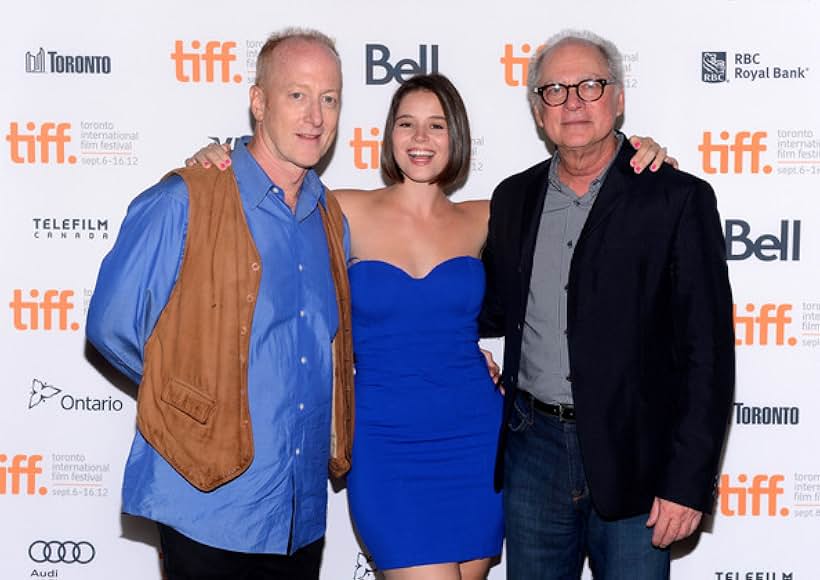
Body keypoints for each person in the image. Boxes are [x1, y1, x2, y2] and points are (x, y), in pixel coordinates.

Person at [189, 69, 672, 578]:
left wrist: (641, 157)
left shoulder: (493, 214)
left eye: (437, 126)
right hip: (386, 443)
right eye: (406, 124)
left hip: (475, 438)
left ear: (456, 136)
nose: (420, 139)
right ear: (389, 135)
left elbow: (590, 200)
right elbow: (260, 197)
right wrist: (213, 162)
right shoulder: (339, 209)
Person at [86, 28, 352, 580]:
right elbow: (112, 326)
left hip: (300, 513)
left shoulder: (330, 221)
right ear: (259, 102)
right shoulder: (186, 198)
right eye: (297, 95)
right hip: (208, 503)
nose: (315, 117)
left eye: (329, 98)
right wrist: (194, 401)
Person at [479, 30, 735, 579]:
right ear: (536, 109)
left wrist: (687, 482)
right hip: (532, 453)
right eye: (554, 90)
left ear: (618, 99)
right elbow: (487, 307)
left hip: (638, 460)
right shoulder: (511, 199)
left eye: (591, 86)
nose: (573, 102)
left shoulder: (675, 198)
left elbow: (708, 356)